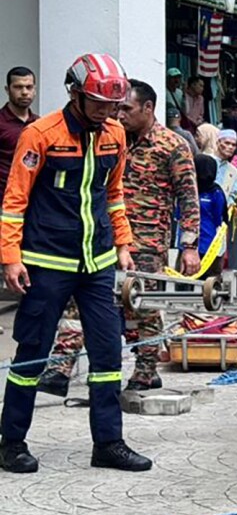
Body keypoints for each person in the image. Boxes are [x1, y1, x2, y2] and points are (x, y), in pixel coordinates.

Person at [0, 53, 150, 473]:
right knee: (32, 353)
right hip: (47, 262)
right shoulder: (40, 135)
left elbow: (113, 193)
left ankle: (108, 443)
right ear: (76, 94)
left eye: (113, 105)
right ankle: (11, 441)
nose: (107, 112)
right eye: (99, 103)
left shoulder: (115, 134)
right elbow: (14, 201)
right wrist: (10, 258)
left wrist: (123, 241)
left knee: (107, 354)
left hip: (97, 262)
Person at [38, 79, 202, 395]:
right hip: (100, 236)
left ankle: (145, 371)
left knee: (142, 305)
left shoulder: (173, 145)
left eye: (126, 108)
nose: (119, 114)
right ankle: (60, 368)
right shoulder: (109, 138)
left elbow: (188, 197)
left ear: (148, 108)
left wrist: (189, 246)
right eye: (118, 108)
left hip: (147, 242)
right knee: (80, 300)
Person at [188, 154, 229, 278]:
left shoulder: (216, 192)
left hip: (210, 245)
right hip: (189, 244)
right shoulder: (188, 190)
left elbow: (220, 219)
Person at [0, 66, 37, 188]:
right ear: (7, 89)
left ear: (34, 90)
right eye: (18, 87)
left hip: (33, 198)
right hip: (4, 199)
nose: (24, 92)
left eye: (29, 87)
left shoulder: (39, 124)